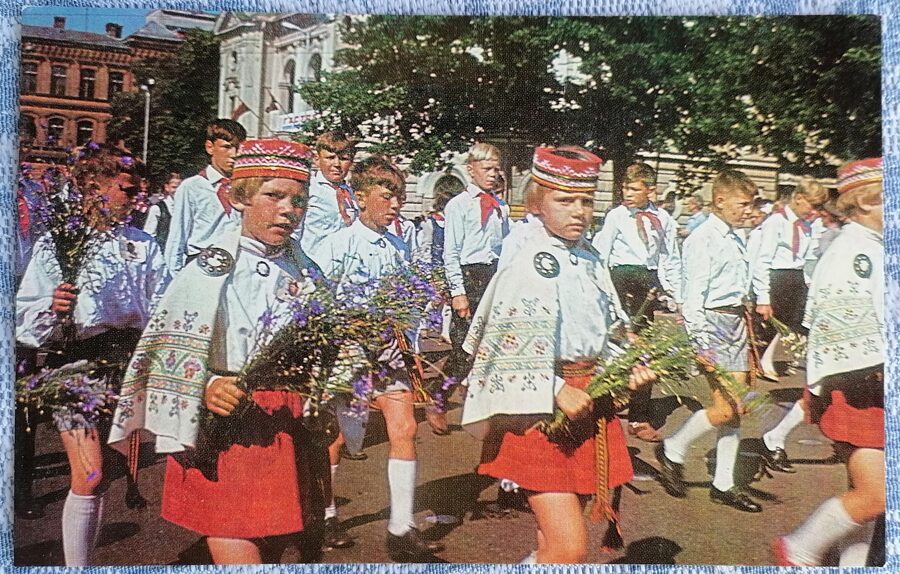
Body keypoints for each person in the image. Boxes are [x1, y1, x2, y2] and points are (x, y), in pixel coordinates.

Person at [108, 139, 323, 564]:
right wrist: (205, 384)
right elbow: (165, 345)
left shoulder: (307, 269)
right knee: (233, 531)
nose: (288, 209)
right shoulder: (210, 268)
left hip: (287, 420)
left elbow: (325, 340)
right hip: (229, 424)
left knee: (283, 539)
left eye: (298, 200)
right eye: (274, 195)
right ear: (239, 197)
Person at [462, 146, 655, 564]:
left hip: (590, 400)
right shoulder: (528, 260)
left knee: (554, 545)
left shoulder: (590, 258)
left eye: (586, 201)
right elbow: (501, 343)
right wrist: (554, 388)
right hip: (541, 411)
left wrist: (628, 366)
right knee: (569, 547)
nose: (579, 211)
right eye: (564, 200)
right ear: (537, 201)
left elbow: (605, 327)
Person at [16, 145, 167, 566]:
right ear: (92, 188)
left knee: (108, 474)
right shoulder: (59, 242)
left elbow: (160, 307)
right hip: (75, 363)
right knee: (91, 472)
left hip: (126, 362)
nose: (137, 199)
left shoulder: (143, 245)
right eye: (126, 189)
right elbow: (25, 319)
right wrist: (54, 306)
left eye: (140, 191)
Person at [317, 156, 445, 562]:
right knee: (338, 438)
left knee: (404, 427)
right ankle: (326, 515)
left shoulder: (400, 246)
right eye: (386, 196)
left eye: (399, 198)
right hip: (349, 351)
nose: (395, 205)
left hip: (391, 351)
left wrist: (409, 348)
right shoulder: (337, 245)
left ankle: (401, 527)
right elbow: (318, 303)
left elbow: (405, 304)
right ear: (360, 197)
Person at [772, 158, 884, 566]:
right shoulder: (855, 251)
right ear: (865, 203)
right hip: (863, 385)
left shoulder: (874, 247)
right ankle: (800, 548)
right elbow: (851, 335)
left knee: (870, 497)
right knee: (878, 493)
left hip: (874, 384)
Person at [654, 169, 762, 513]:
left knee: (735, 410)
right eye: (743, 204)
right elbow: (694, 296)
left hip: (735, 322)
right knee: (726, 406)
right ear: (720, 201)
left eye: (752, 204)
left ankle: (724, 483)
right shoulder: (702, 239)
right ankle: (673, 447)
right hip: (713, 324)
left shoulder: (734, 236)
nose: (749, 210)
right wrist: (702, 343)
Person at [591, 162, 682, 442]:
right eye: (624, 188)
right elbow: (601, 254)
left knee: (646, 351)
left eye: (633, 189)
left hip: (648, 285)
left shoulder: (665, 220)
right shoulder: (616, 216)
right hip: (620, 281)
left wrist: (676, 294)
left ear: (650, 190)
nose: (626, 193)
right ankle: (603, 405)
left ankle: (639, 416)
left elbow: (669, 259)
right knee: (616, 346)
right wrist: (601, 291)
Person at [442, 142, 509, 388]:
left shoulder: (501, 207)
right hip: (469, 275)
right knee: (464, 345)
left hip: (493, 276)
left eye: (496, 169)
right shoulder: (458, 205)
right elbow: (451, 253)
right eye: (488, 169)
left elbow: (505, 246)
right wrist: (458, 292)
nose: (493, 174)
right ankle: (439, 395)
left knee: (492, 343)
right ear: (471, 169)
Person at [165, 118, 247, 275]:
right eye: (227, 147)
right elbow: (178, 235)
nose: (234, 154)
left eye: (238, 148)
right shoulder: (192, 187)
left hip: (239, 266)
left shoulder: (245, 187)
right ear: (210, 147)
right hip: (203, 265)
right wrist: (176, 277)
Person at [300, 131, 359, 264]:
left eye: (344, 159)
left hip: (347, 267)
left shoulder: (353, 195)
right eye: (330, 157)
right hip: (313, 265)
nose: (337, 164)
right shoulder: (308, 190)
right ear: (317, 160)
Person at [143, 172, 182, 252]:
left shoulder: (186, 208)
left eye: (180, 187)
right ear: (167, 187)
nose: (178, 190)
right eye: (174, 187)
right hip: (162, 253)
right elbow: (148, 235)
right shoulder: (157, 209)